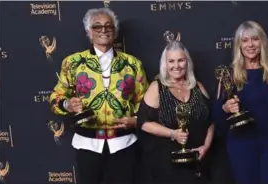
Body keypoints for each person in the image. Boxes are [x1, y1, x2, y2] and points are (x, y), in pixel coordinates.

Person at [49, 8, 149, 184]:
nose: (103, 30)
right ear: (89, 32)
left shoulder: (132, 64)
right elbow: (56, 97)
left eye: (108, 26)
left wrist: (136, 120)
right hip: (87, 144)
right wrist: (67, 105)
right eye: (97, 27)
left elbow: (146, 104)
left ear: (115, 32)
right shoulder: (72, 63)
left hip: (124, 144)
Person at [212, 20, 268, 184]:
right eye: (245, 40)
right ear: (239, 45)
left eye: (255, 39)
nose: (250, 44)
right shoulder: (229, 75)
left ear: (262, 42)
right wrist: (225, 108)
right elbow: (216, 115)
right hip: (241, 145)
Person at [136, 40, 214, 184]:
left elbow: (210, 122)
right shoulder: (157, 88)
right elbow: (143, 123)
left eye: (181, 60)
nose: (176, 66)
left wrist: (206, 146)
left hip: (198, 163)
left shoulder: (198, 87)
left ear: (187, 62)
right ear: (165, 64)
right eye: (171, 61)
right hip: (167, 165)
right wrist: (173, 133)